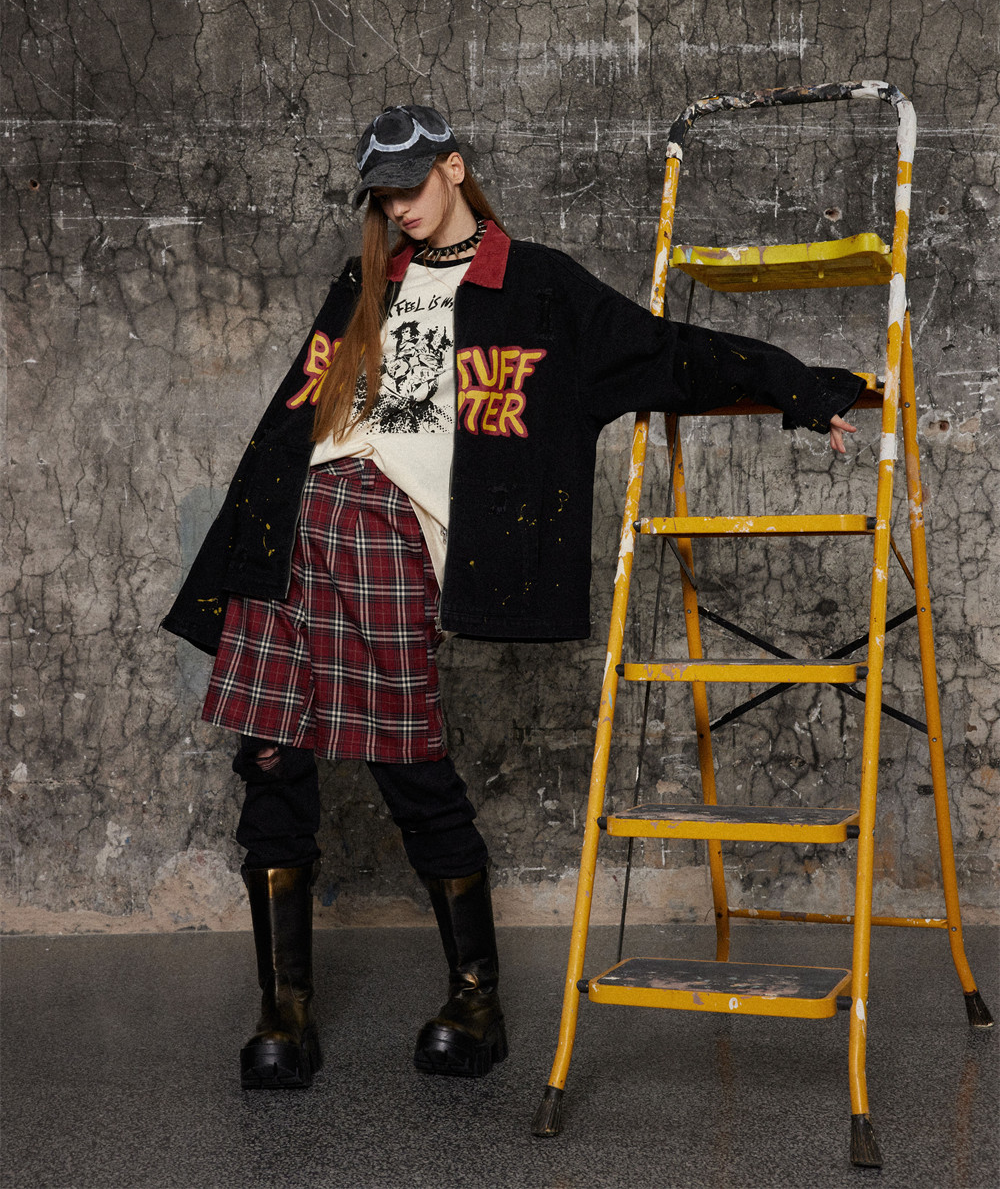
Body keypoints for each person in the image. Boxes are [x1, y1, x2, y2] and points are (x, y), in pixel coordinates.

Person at [162, 104, 860, 1092]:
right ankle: (285, 1014)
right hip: (289, 526)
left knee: (407, 763)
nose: (398, 207)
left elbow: (663, 351)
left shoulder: (536, 287)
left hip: (387, 530)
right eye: (382, 194)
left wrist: (800, 385)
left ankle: (475, 998)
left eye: (411, 184)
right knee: (270, 757)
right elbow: (296, 415)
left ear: (454, 167)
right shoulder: (364, 282)